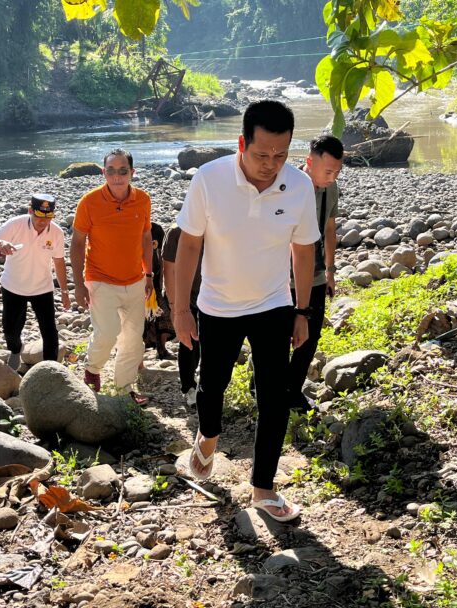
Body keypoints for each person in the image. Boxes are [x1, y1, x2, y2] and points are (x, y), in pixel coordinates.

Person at [173, 100, 319, 523]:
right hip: (217, 305)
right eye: (261, 154)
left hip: (272, 303)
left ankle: (263, 488)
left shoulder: (299, 186)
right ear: (242, 143)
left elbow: (303, 250)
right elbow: (189, 244)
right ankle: (208, 436)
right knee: (212, 384)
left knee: (275, 397)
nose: (270, 165)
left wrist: (303, 311)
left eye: (280, 155)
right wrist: (180, 309)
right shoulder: (209, 178)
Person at [71, 150, 153, 403]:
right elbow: (77, 243)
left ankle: (124, 391)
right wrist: (78, 285)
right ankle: (92, 369)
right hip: (100, 279)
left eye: (123, 171)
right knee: (107, 333)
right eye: (111, 171)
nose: (117, 176)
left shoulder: (143, 199)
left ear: (132, 172)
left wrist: (149, 274)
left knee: (133, 340)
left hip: (135, 279)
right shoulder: (89, 202)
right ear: (103, 172)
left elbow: (146, 237)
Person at [286, 134, 344, 411]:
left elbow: (330, 229)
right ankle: (263, 386)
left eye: (337, 172)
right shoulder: (287, 185)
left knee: (310, 337)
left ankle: (292, 391)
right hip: (283, 276)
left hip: (316, 274)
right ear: (309, 162)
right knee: (277, 337)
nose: (332, 177)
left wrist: (331, 270)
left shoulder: (331, 190)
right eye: (328, 171)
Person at [0, 194, 69, 370]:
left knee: (49, 330)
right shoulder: (16, 224)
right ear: (30, 211)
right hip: (13, 286)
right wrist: (0, 244)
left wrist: (65, 291)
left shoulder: (57, 233)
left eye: (48, 217)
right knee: (10, 329)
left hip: (42, 288)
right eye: (39, 216)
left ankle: (51, 368)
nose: (43, 222)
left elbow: (59, 261)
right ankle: (15, 350)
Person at [163, 225, 203, 407]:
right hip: (185, 296)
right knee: (188, 342)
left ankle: (203, 384)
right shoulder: (176, 232)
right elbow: (169, 270)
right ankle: (189, 387)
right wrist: (175, 306)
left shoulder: (214, 225)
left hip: (211, 294)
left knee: (204, 342)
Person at [143, 223, 174, 360]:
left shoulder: (156, 229)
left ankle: (161, 349)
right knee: (140, 319)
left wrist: (162, 280)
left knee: (163, 315)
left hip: (155, 282)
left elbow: (162, 257)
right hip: (136, 282)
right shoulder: (131, 228)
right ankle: (136, 354)